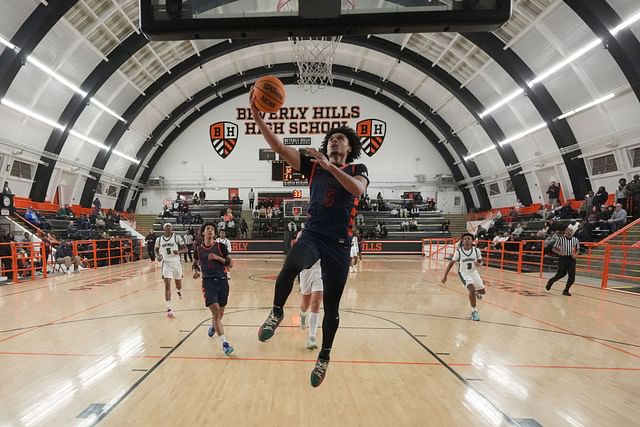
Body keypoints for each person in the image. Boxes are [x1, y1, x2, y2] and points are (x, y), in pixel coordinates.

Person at [250, 89, 368, 387]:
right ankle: (276, 313)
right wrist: (257, 117)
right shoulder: (313, 167)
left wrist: (331, 168)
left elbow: (357, 190)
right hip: (314, 234)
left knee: (332, 307)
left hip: (340, 244)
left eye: (340, 138)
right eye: (331, 138)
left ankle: (324, 357)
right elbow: (279, 147)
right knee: (290, 266)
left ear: (349, 146)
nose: (334, 140)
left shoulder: (358, 169)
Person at [193, 222, 234, 356]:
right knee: (216, 312)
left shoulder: (221, 247)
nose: (210, 231)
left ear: (214, 233)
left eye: (212, 229)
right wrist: (196, 271)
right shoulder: (198, 249)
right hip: (208, 282)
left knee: (220, 314)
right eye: (207, 229)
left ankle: (214, 326)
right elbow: (195, 263)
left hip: (222, 281)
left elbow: (230, 264)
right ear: (203, 233)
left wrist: (217, 258)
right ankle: (225, 344)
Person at [441, 233, 486, 321]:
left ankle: (476, 292)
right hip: (463, 273)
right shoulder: (459, 252)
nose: (467, 240)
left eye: (468, 238)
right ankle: (474, 311)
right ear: (462, 240)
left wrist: (479, 263)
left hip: (474, 272)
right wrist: (445, 276)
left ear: (472, 240)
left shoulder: (476, 251)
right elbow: (451, 263)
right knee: (471, 289)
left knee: (483, 292)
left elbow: (481, 261)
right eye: (465, 239)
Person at [154, 223, 187, 318]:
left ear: (171, 229)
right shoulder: (159, 239)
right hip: (166, 263)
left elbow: (186, 249)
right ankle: (169, 308)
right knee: (167, 284)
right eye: (166, 228)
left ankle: (178, 290)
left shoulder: (177, 237)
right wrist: (158, 256)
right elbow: (156, 250)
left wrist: (179, 252)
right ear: (163, 229)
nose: (168, 230)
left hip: (176, 263)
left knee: (178, 284)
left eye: (170, 228)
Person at [545, 227, 580, 296]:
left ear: (572, 232)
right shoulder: (560, 239)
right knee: (561, 274)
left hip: (571, 259)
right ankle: (551, 281)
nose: (568, 232)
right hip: (563, 258)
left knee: (572, 277)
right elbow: (554, 249)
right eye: (567, 231)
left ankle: (566, 290)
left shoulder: (575, 239)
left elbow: (578, 249)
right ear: (565, 232)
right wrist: (559, 253)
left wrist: (575, 254)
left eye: (570, 231)